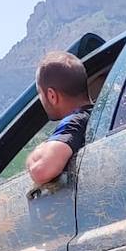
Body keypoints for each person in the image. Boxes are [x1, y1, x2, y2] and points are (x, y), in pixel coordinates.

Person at [26, 51, 93, 186]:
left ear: (51, 95)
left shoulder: (74, 121)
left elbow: (41, 170)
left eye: (40, 95)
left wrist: (40, 148)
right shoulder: (95, 113)